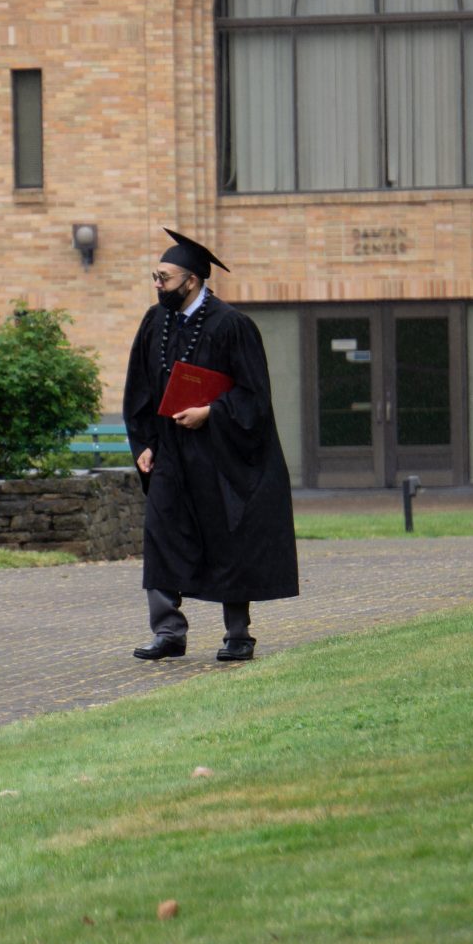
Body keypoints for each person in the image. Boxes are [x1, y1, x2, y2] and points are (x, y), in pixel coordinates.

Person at [121, 228, 298, 662]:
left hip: (220, 454)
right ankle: (168, 632)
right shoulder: (155, 321)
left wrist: (212, 413)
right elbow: (140, 389)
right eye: (155, 277)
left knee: (228, 537)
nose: (157, 285)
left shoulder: (232, 326)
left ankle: (237, 634)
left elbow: (254, 395)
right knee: (161, 533)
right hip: (169, 451)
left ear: (192, 281)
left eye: (163, 277)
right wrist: (143, 442)